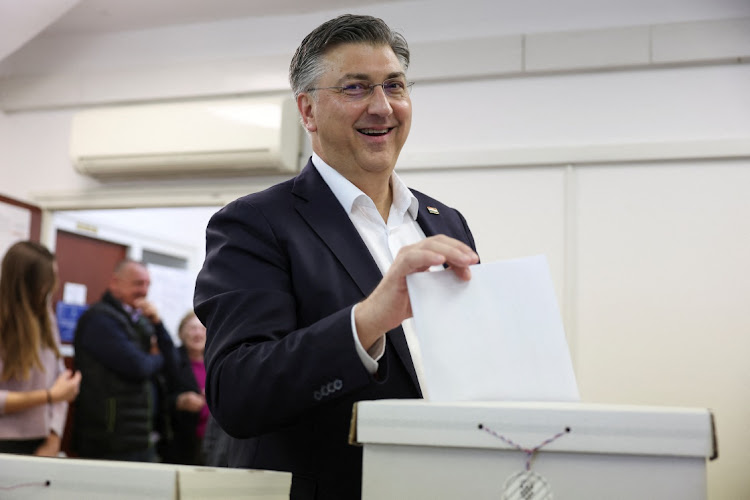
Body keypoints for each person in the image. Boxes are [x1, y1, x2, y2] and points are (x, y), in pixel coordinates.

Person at [193, 14, 479, 499]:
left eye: (394, 85)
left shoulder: (443, 219)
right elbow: (236, 395)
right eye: (355, 88)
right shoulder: (255, 223)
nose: (382, 106)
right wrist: (366, 320)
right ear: (307, 111)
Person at [72, 259, 177, 462]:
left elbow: (172, 363)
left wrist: (158, 324)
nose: (144, 291)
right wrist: (155, 356)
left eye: (147, 284)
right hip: (109, 440)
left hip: (141, 437)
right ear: (114, 283)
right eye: (138, 283)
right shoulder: (99, 319)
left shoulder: (141, 320)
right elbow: (138, 366)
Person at [0, 241, 81, 456]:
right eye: (48, 278)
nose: (54, 284)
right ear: (27, 281)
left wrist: (54, 437)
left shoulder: (46, 318)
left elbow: (61, 382)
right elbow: (56, 393)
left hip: (41, 441)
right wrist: (48, 396)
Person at [161, 310, 208, 465]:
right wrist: (179, 401)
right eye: (192, 328)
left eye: (202, 329)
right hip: (182, 443)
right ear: (181, 333)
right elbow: (158, 400)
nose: (198, 333)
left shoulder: (216, 362)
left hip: (215, 442)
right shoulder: (170, 361)